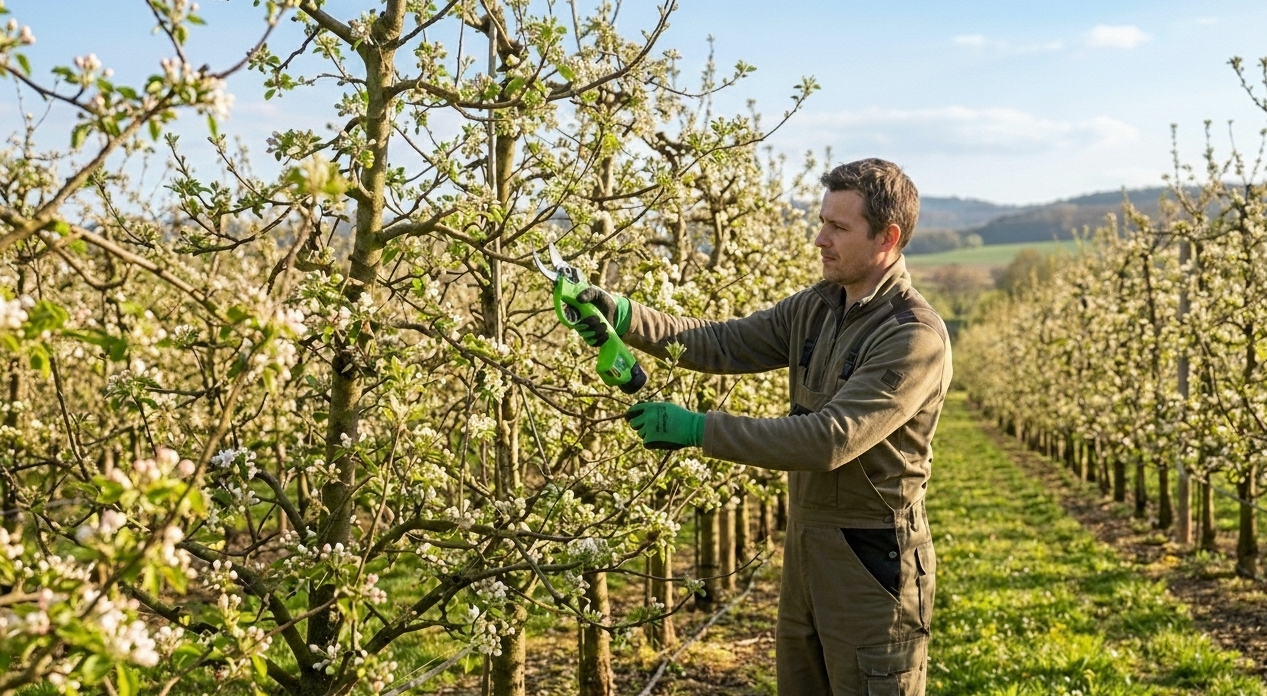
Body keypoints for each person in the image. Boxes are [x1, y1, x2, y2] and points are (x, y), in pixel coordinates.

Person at [568, 158, 952, 695]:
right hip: (805, 547)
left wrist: (699, 429)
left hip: (872, 559)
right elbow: (723, 342)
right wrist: (625, 316)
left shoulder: (912, 336)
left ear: (887, 237)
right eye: (822, 222)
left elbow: (830, 440)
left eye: (838, 227)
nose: (820, 239)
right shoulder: (817, 308)